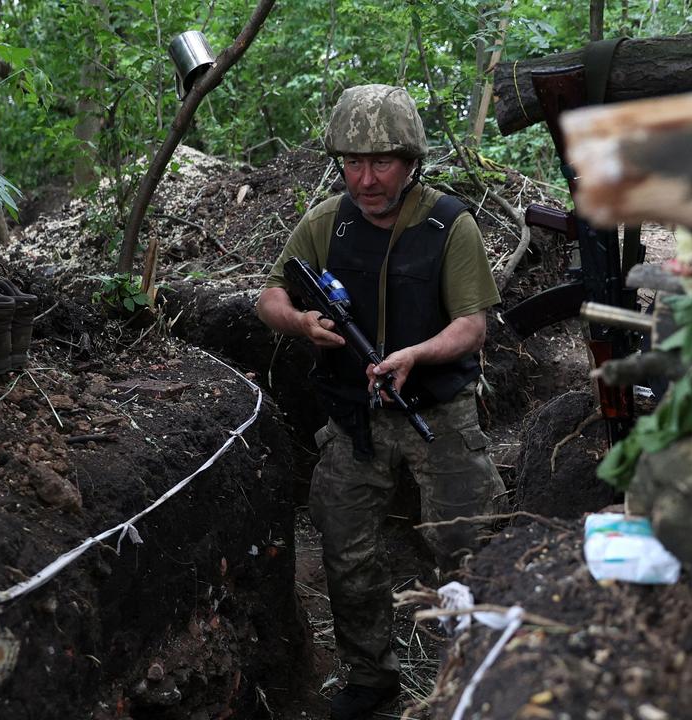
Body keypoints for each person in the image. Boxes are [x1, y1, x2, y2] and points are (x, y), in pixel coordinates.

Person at [255, 84, 506, 720]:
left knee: (470, 546)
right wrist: (301, 324)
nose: (365, 179)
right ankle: (371, 680)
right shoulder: (327, 223)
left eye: (382, 162)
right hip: (353, 416)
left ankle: (477, 676)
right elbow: (270, 296)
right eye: (352, 163)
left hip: (439, 414)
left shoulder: (450, 224)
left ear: (411, 161)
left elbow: (473, 324)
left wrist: (417, 354)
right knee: (346, 552)